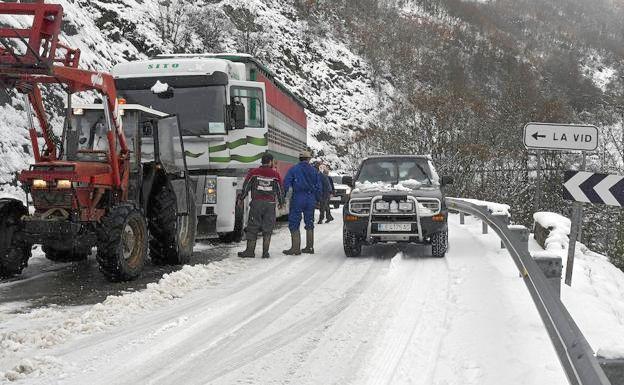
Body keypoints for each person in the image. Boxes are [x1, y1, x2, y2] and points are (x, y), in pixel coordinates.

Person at [237, 153, 284, 259]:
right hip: (270, 205)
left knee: (253, 227)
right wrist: (281, 203)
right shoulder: (275, 175)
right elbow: (280, 190)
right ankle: (265, 252)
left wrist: (241, 198)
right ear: (270, 162)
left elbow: (246, 186)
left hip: (256, 204)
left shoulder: (254, 173)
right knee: (268, 228)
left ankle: (250, 251)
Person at [283, 151, 321, 255]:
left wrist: (284, 197)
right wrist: (318, 200)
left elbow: (286, 183)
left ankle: (295, 248)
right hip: (310, 198)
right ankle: (309, 247)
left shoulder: (293, 169)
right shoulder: (314, 171)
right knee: (309, 223)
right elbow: (318, 187)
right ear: (308, 159)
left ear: (299, 159)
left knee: (294, 222)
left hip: (298, 197)